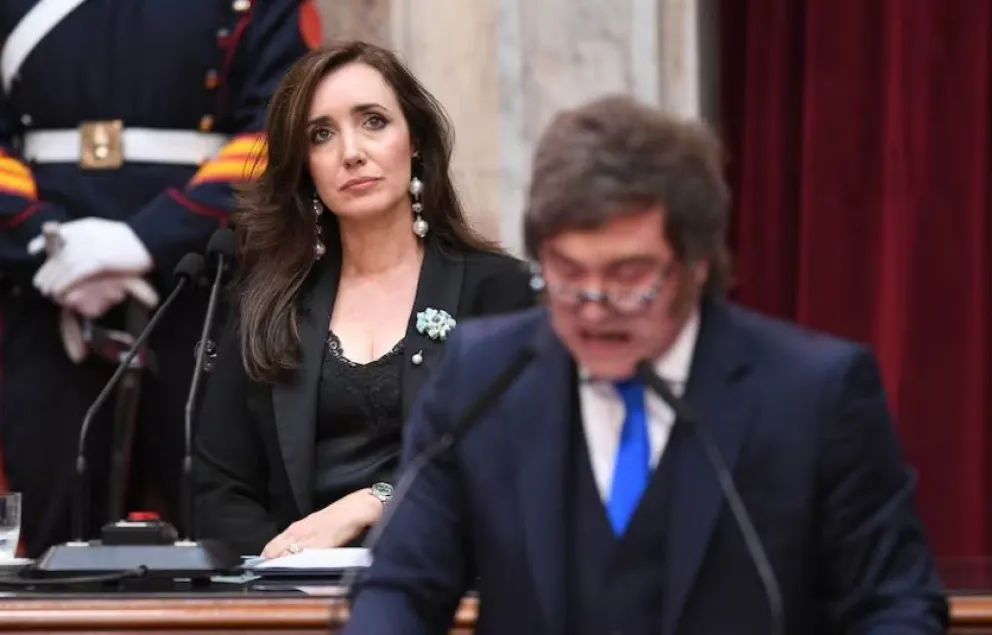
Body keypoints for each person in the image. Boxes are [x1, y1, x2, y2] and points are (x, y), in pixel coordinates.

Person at [345, 96, 949, 634]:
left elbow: (895, 605)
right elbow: (400, 588)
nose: (594, 308)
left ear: (698, 263)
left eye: (629, 277)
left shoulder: (814, 395)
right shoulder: (483, 378)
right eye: (567, 274)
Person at [193, 41, 535, 559]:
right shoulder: (266, 302)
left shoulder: (499, 291)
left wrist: (375, 502)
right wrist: (287, 567)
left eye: (373, 121)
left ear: (414, 138)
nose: (351, 152)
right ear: (305, 165)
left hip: (452, 581)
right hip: (291, 588)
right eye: (321, 134)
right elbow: (219, 490)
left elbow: (516, 459)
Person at [0, 0, 317, 557]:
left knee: (224, 531)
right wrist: (45, 241)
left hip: (206, 286)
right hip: (44, 290)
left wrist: (150, 238)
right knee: (50, 535)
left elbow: (285, 120)